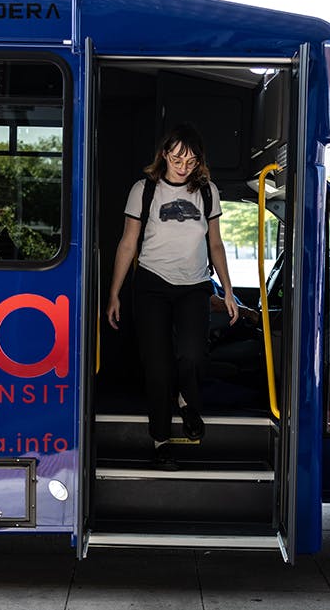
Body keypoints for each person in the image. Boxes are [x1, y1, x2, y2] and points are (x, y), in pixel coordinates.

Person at [106, 123, 238, 470]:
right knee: (158, 365)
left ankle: (187, 400)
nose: (183, 166)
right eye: (178, 158)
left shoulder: (207, 191)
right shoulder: (144, 190)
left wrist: (228, 290)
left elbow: (216, 244)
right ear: (165, 153)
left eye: (191, 161)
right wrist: (114, 293)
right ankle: (161, 438)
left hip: (195, 286)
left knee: (192, 355)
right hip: (151, 284)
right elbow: (128, 242)